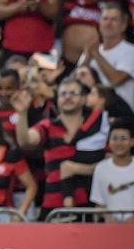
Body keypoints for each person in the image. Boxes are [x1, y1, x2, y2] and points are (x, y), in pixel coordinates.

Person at [13, 76, 109, 221]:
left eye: (73, 93)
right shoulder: (48, 126)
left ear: (84, 99)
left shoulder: (97, 126)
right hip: (53, 207)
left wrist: (81, 168)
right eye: (63, 94)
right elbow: (25, 140)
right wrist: (22, 113)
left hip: (89, 206)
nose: (68, 97)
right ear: (57, 100)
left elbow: (110, 160)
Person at [83, 4, 134, 111]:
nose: (108, 23)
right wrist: (87, 58)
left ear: (123, 25)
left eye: (114, 20)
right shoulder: (93, 49)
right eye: (105, 19)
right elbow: (78, 78)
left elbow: (116, 79)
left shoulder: (130, 51)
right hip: (93, 112)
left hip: (121, 114)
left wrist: (96, 55)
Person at [90, 119, 134, 223]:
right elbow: (99, 204)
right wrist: (107, 217)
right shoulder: (101, 168)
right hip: (111, 229)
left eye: (124, 138)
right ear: (109, 141)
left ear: (132, 141)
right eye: (114, 138)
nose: (119, 143)